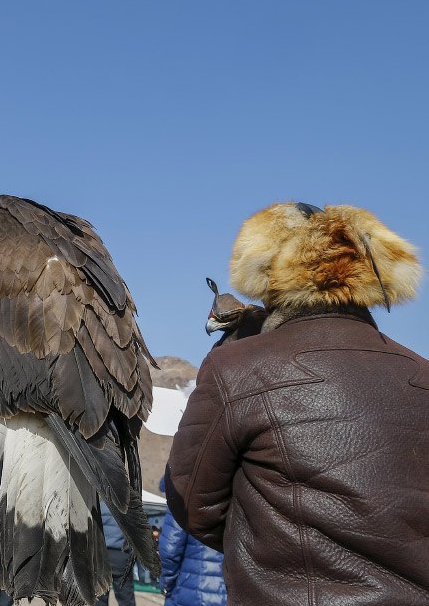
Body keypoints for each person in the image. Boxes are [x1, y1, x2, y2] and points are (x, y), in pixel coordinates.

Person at [165, 202, 429, 605]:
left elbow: (192, 503)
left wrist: (273, 544)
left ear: (269, 274)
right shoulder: (422, 374)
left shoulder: (236, 367)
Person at [157, 478, 226, 606]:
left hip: (189, 590)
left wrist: (166, 583)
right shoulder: (246, 490)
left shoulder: (185, 491)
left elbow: (170, 547)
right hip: (232, 593)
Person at [95, 503, 136, 606]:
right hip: (122, 555)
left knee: (100, 598)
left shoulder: (99, 503)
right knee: (126, 598)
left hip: (102, 555)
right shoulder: (127, 505)